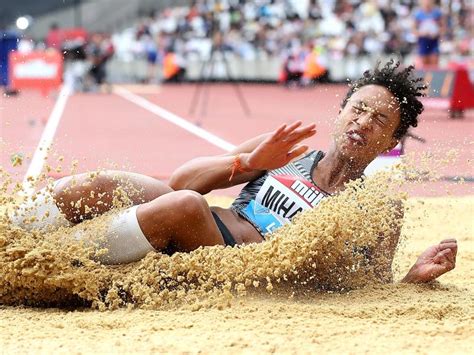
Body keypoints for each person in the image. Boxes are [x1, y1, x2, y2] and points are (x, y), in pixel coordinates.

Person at [10, 61, 457, 285]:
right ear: (339, 113)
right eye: (357, 109)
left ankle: (31, 269)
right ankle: (9, 232)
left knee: (184, 208)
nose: (363, 122)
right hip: (202, 221)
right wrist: (246, 163)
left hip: (234, 265)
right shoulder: (289, 149)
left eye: (379, 120)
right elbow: (183, 181)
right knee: (108, 182)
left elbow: (371, 285)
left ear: (392, 142)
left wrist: (411, 279)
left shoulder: (374, 206)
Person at [412, 0, 445, 67]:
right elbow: (414, 29)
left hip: (434, 41)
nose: (427, 2)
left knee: (434, 61)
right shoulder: (418, 14)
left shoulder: (437, 13)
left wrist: (436, 33)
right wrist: (422, 33)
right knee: (424, 63)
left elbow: (443, 27)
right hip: (423, 41)